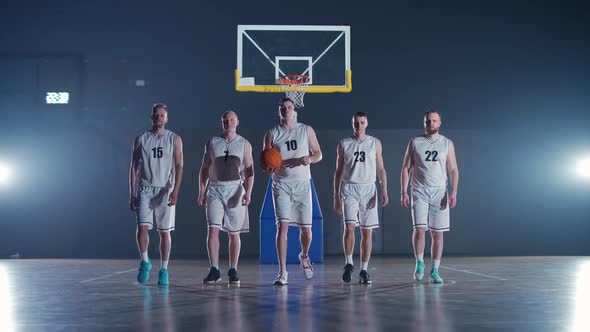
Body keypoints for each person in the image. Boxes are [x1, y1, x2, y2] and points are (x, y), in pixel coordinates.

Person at [263, 97, 322, 286]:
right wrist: (269, 166)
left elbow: (319, 153)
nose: (286, 110)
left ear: (294, 110)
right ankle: (282, 272)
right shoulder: (271, 134)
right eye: (283, 107)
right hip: (281, 184)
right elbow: (266, 160)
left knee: (307, 230)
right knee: (282, 227)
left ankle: (304, 256)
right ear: (278, 110)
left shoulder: (306, 130)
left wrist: (310, 159)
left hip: (303, 184)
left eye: (289, 107)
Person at [400, 110, 459, 283]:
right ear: (424, 123)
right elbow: (405, 168)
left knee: (437, 233)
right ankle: (419, 263)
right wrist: (403, 191)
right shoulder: (415, 142)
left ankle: (435, 270)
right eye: (428, 121)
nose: (431, 123)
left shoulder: (447, 143)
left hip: (440, 192)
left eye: (434, 121)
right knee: (419, 229)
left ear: (439, 123)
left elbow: (453, 170)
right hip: (419, 190)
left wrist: (454, 192)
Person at [129, 103, 184, 285]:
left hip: (165, 189)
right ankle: (145, 262)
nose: (159, 117)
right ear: (151, 116)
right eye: (156, 114)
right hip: (145, 188)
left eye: (162, 115)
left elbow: (179, 166)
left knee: (164, 232)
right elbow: (134, 167)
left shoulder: (174, 138)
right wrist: (132, 193)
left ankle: (164, 269)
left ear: (167, 118)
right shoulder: (141, 139)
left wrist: (175, 190)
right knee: (142, 228)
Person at [198, 111, 254, 285]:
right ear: (221, 122)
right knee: (212, 229)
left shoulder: (244, 144)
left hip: (235, 189)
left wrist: (248, 193)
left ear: (237, 122)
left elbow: (250, 171)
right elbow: (205, 168)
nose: (228, 123)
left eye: (231, 120)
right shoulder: (212, 142)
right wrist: (201, 191)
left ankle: (233, 269)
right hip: (214, 188)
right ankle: (214, 269)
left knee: (233, 233)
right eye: (225, 120)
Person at [334, 112, 388, 284]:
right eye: (356, 123)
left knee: (367, 231)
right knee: (349, 227)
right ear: (352, 124)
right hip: (349, 187)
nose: (359, 125)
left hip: (369, 189)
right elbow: (338, 172)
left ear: (366, 123)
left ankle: (364, 270)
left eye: (362, 122)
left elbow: (381, 169)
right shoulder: (344, 143)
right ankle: (349, 264)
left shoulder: (375, 143)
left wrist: (384, 190)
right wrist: (336, 195)